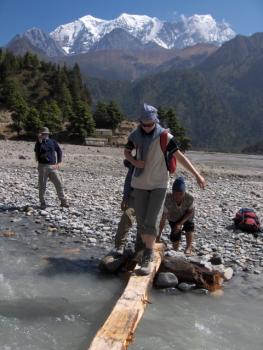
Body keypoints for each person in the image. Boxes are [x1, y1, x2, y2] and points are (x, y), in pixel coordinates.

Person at [124, 103, 205, 275]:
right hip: (139, 184)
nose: (146, 128)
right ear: (140, 122)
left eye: (150, 124)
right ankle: (144, 249)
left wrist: (197, 175)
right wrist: (134, 161)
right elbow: (126, 151)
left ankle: (147, 255)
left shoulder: (164, 137)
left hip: (159, 184)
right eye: (144, 124)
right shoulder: (135, 135)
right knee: (141, 222)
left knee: (152, 221)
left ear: (155, 121)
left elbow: (180, 157)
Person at [158, 177, 195, 256]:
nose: (178, 196)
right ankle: (175, 249)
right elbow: (163, 218)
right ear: (172, 192)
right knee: (175, 232)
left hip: (186, 215)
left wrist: (181, 223)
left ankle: (189, 248)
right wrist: (159, 235)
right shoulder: (167, 198)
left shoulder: (190, 198)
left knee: (190, 225)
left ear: (184, 192)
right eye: (175, 193)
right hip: (173, 217)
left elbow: (190, 212)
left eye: (181, 194)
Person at [34, 127, 69, 209]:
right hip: (42, 166)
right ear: (40, 134)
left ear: (48, 134)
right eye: (42, 134)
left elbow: (59, 151)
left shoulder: (52, 142)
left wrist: (59, 162)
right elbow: (38, 152)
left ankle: (63, 202)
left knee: (59, 183)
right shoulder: (38, 143)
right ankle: (42, 202)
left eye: (46, 133)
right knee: (42, 185)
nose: (44, 135)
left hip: (53, 166)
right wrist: (39, 141)